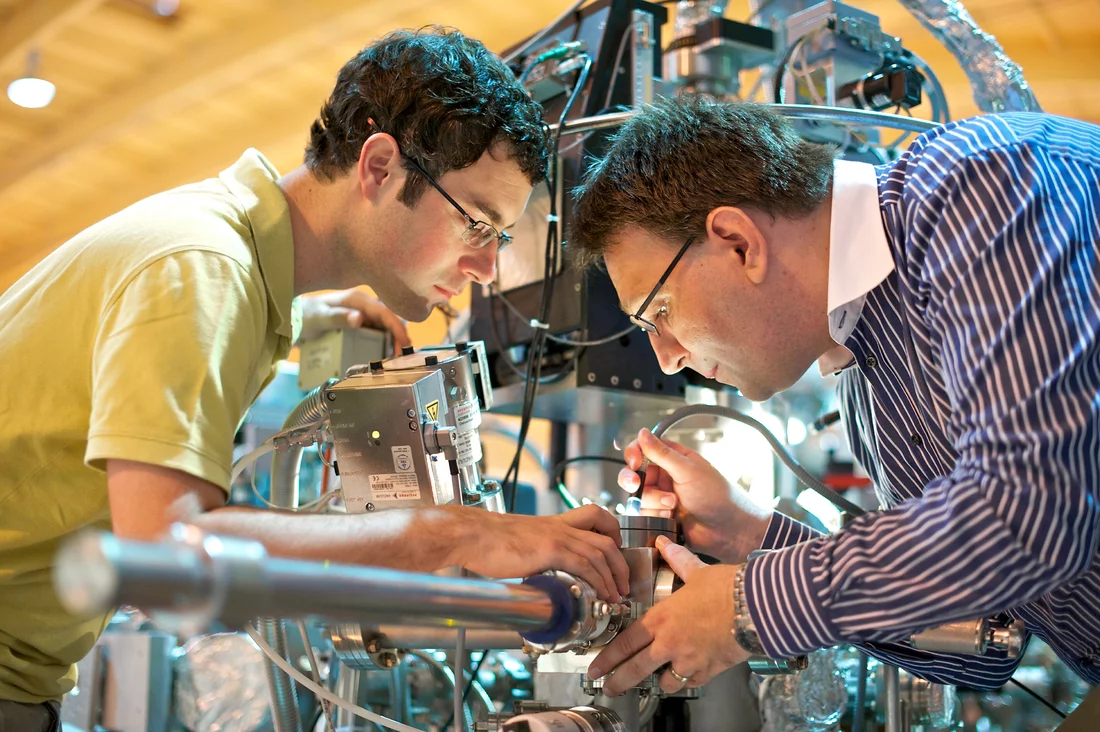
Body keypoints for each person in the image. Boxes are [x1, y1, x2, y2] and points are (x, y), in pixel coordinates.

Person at [0, 28, 629, 724]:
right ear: (381, 168)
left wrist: (318, 309)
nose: (485, 268)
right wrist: (455, 533)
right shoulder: (200, 271)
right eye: (477, 225)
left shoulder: (222, 259)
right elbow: (165, 561)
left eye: (500, 239)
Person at [568, 98, 1099, 703]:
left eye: (658, 313)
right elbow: (988, 638)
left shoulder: (975, 187)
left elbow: (1032, 515)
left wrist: (749, 606)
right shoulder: (865, 383)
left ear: (739, 242)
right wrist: (749, 535)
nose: (666, 358)